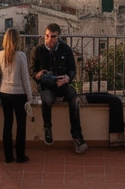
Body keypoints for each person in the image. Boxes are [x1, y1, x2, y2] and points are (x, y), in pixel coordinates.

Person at [31, 23, 86, 153]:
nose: (49, 39)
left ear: (58, 36)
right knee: (47, 100)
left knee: (74, 97)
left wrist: (67, 78)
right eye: (47, 36)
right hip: (45, 85)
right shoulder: (37, 50)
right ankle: (47, 129)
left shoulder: (65, 49)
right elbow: (32, 70)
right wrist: (37, 75)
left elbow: (72, 69)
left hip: (62, 84)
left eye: (53, 37)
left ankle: (77, 135)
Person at [0, 28, 33, 163]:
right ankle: (20, 155)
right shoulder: (21, 56)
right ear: (17, 40)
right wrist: (29, 97)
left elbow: (0, 75)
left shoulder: (0, 54)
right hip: (19, 94)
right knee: (21, 125)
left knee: (7, 124)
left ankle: (8, 156)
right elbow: (25, 78)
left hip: (4, 93)